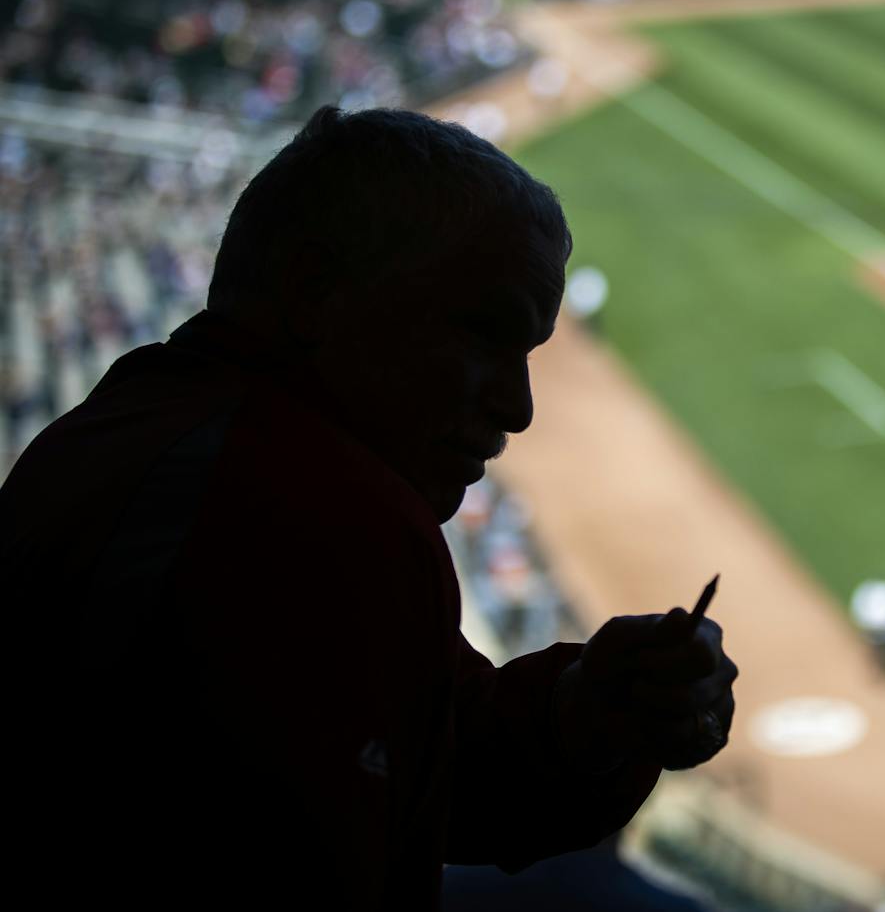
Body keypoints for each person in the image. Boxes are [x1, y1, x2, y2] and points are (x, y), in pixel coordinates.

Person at [0, 105, 738, 910]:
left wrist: (590, 706)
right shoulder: (316, 508)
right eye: (485, 334)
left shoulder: (128, 429)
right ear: (318, 292)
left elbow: (423, 752)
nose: (519, 406)